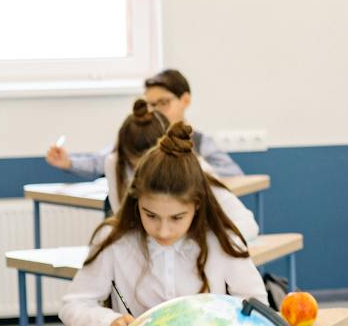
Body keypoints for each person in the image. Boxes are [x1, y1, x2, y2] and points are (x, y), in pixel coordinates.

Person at [58, 122, 264, 326]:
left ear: (197, 205)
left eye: (177, 218)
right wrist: (107, 323)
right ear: (136, 203)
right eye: (151, 215)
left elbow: (257, 309)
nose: (163, 231)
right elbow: (74, 304)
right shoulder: (115, 240)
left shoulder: (222, 240)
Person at [104, 98, 260, 244]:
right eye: (135, 166)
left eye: (153, 165)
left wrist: (203, 247)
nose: (146, 174)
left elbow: (246, 224)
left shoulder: (194, 169)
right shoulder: (115, 163)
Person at [44, 68, 244, 179]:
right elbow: (102, 161)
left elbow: (234, 175)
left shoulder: (199, 142)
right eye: (151, 104)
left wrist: (190, 168)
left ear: (185, 100)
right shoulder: (137, 137)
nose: (156, 110)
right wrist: (68, 163)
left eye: (163, 103)